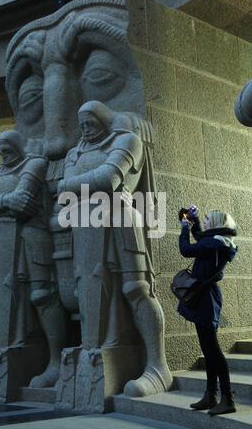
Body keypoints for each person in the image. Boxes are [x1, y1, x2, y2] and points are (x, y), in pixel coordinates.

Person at [57, 100, 173, 397]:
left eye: (90, 122)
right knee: (88, 289)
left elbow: (110, 178)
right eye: (81, 123)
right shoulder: (76, 151)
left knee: (136, 289)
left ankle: (158, 366)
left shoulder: (127, 140)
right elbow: (62, 189)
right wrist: (87, 186)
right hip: (86, 225)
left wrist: (77, 186)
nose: (85, 128)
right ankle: (104, 357)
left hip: (123, 221)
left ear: (104, 120)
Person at [0, 130, 67, 388]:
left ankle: (56, 361)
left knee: (42, 295)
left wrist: (0, 204)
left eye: (8, 148)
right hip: (4, 242)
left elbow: (23, 199)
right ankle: (7, 353)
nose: (3, 153)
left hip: (33, 239)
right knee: (5, 293)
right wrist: (5, 200)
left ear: (19, 145)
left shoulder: (34, 163)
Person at [178, 206, 238, 415]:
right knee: (208, 349)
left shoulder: (215, 244)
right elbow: (201, 238)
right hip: (204, 297)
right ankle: (210, 395)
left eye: (207, 219)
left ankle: (227, 398)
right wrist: (193, 221)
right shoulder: (216, 242)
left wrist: (185, 227)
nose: (205, 220)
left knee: (213, 350)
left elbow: (186, 249)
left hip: (206, 300)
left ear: (216, 223)